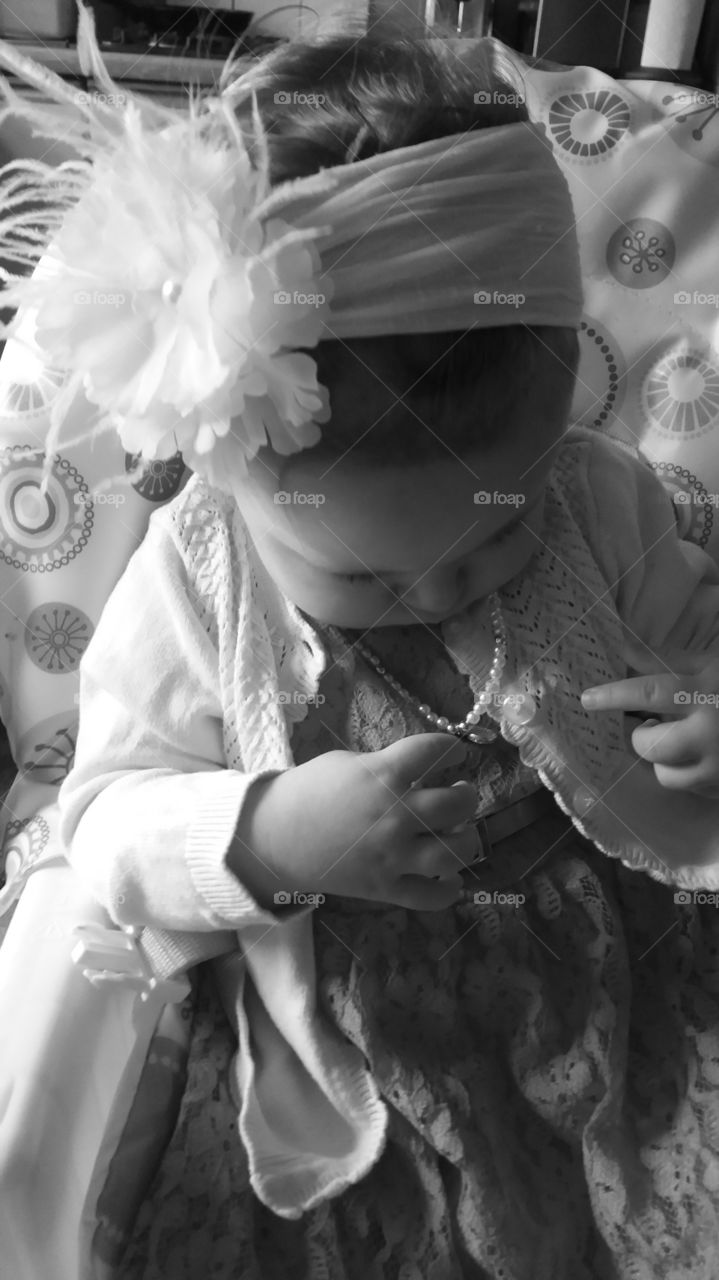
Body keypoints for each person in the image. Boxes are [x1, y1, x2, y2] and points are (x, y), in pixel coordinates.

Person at [4, 12, 719, 1279]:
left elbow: (691, 639)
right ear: (230, 462)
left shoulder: (600, 501)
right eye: (367, 573)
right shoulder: (199, 575)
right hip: (348, 1025)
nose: (444, 588)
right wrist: (268, 834)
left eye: (497, 538)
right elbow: (100, 822)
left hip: (621, 984)